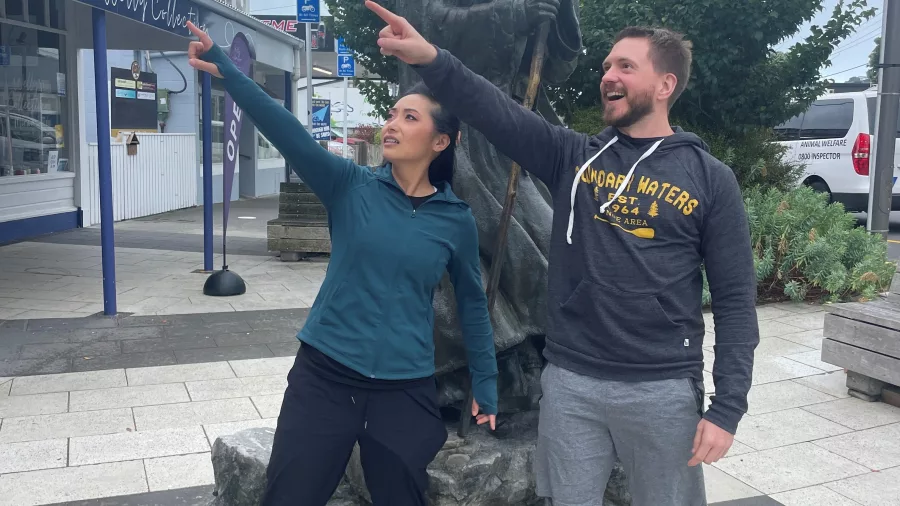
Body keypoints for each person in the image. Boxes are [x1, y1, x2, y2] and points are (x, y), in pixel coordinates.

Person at [364, 2, 760, 505]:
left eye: (626, 66)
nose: (608, 76)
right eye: (607, 66)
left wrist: (727, 407)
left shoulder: (711, 180)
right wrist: (430, 57)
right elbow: (492, 109)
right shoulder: (573, 157)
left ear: (665, 85)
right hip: (572, 385)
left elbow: (734, 300)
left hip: (659, 388)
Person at [186, 21, 499, 506]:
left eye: (409, 118)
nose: (392, 124)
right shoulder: (351, 186)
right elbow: (286, 131)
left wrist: (486, 381)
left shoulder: (455, 219)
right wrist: (229, 71)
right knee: (290, 496)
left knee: (403, 496)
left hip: (404, 386)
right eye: (392, 115)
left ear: (441, 141)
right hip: (325, 376)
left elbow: (473, 305)